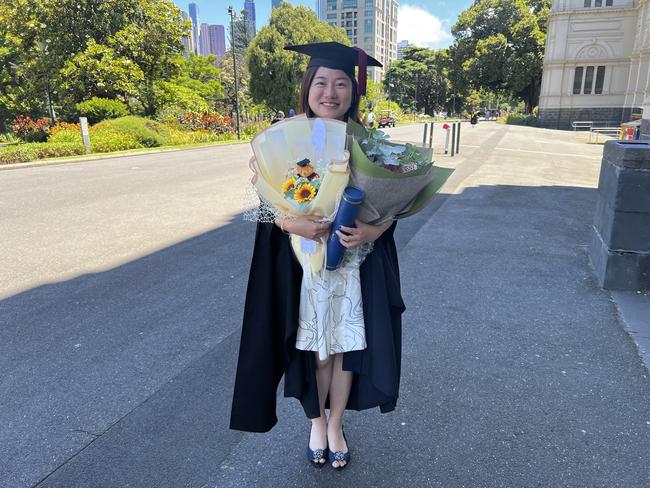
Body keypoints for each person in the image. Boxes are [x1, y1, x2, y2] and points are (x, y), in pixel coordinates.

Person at [230, 42, 404, 470]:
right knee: (314, 351)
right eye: (322, 82)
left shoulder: (367, 142)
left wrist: (373, 229)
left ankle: (336, 424)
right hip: (299, 264)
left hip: (351, 265)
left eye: (342, 83)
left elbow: (392, 206)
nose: (331, 92)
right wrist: (294, 224)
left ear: (353, 91)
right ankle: (315, 421)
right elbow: (265, 204)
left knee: (345, 349)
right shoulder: (284, 137)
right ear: (307, 86)